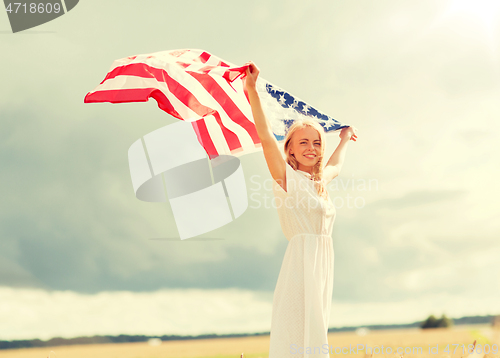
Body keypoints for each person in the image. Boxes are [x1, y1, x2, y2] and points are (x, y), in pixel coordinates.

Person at [242, 61, 358, 358]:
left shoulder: (318, 181)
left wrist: (343, 138)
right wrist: (252, 91)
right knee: (299, 334)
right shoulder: (287, 179)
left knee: (316, 333)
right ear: (290, 148)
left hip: (322, 264)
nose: (312, 148)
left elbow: (335, 165)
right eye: (303, 142)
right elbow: (267, 137)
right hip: (301, 264)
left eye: (317, 143)